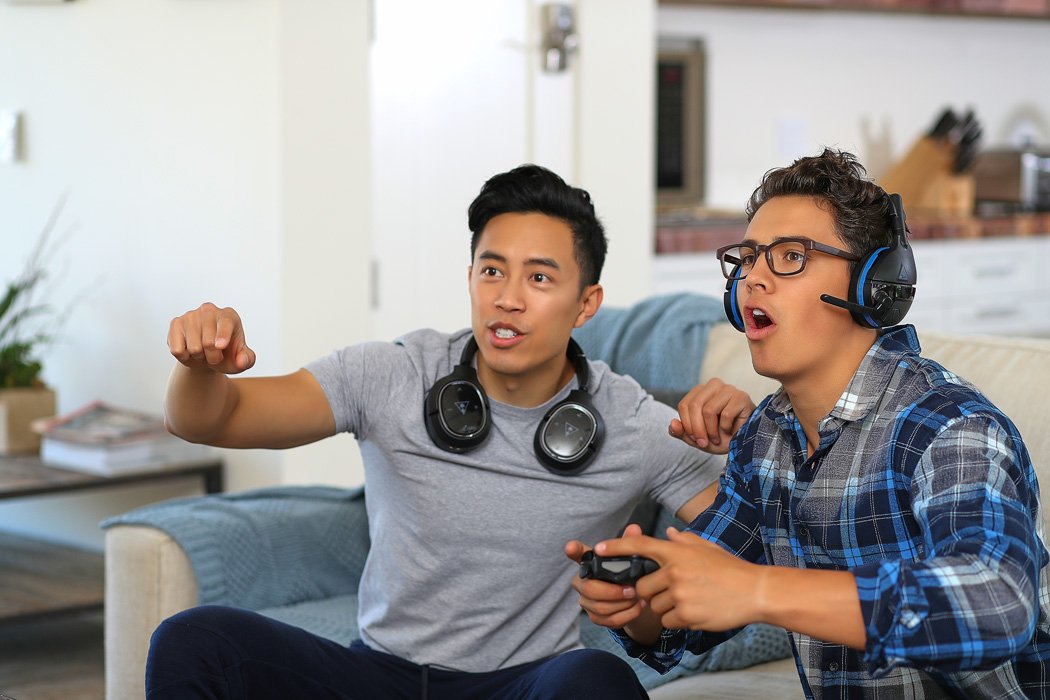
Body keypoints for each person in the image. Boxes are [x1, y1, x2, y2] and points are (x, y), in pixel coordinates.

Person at [148, 164, 757, 699]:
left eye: (540, 279)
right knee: (195, 639)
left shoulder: (630, 422)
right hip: (377, 676)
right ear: (470, 279)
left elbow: (755, 550)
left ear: (586, 302)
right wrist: (199, 366)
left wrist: (749, 437)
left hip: (523, 684)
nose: (508, 299)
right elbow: (208, 418)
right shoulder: (392, 374)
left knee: (592, 678)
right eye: (492, 271)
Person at [572, 148, 1050, 698]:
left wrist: (760, 588)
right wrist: (636, 599)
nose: (754, 278)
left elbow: (997, 604)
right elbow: (692, 611)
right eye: (748, 258)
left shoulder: (950, 426)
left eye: (791, 256)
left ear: (874, 285)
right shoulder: (766, 440)